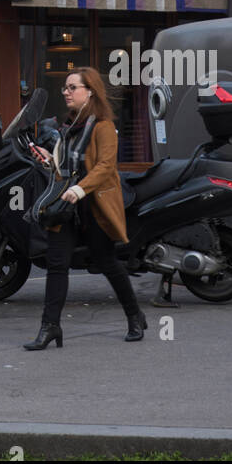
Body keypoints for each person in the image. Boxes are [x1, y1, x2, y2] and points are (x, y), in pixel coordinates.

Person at [23, 67, 147, 350]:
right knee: (57, 265)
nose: (65, 92)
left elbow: (104, 167)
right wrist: (48, 159)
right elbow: (66, 169)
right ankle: (50, 327)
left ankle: (135, 315)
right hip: (66, 208)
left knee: (107, 263)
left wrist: (79, 189)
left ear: (89, 91)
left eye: (72, 87)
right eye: (65, 88)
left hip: (93, 206)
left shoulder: (103, 127)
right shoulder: (69, 128)